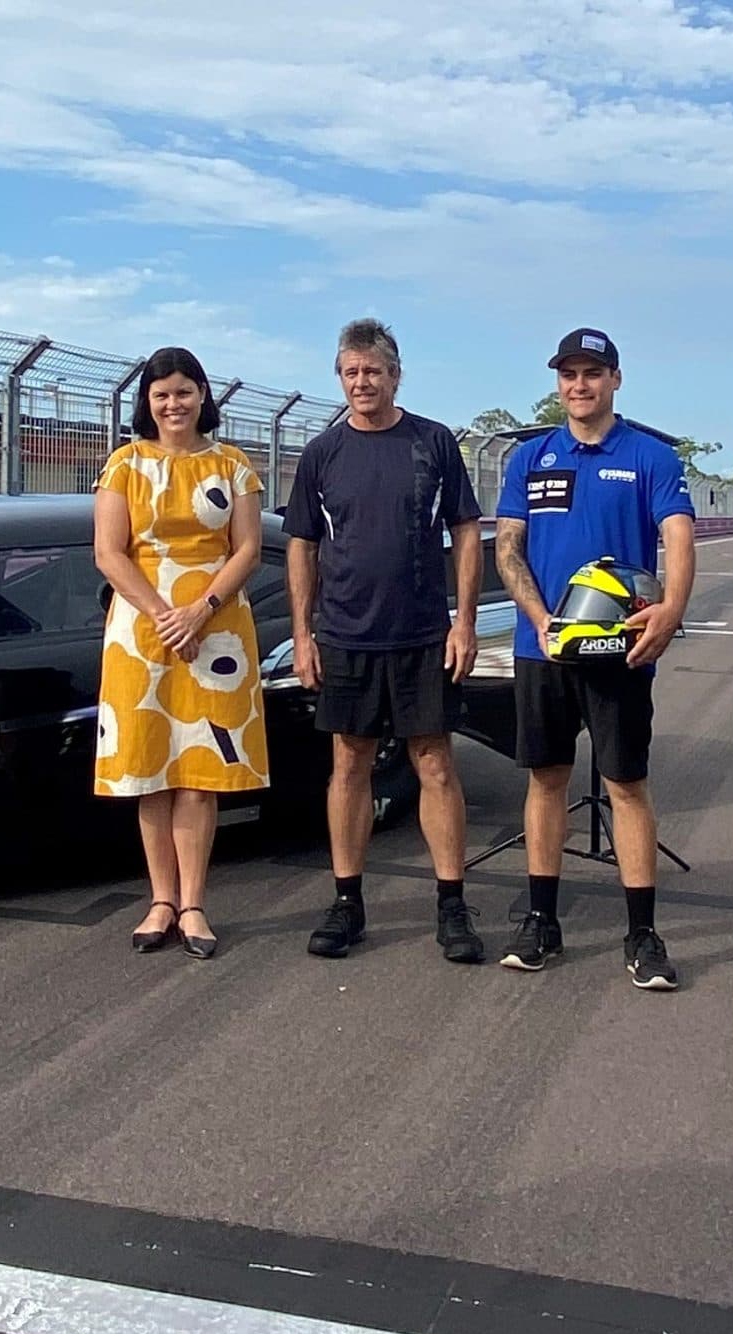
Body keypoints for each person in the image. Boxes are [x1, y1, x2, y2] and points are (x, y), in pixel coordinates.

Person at [492, 327, 695, 989]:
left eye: (592, 373)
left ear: (615, 380)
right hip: (544, 649)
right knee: (546, 779)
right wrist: (541, 619)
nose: (579, 385)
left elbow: (678, 537)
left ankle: (642, 934)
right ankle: (541, 921)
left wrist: (671, 609)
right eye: (569, 374)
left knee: (626, 785)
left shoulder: (650, 457)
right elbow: (508, 547)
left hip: (620, 650)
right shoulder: (531, 457)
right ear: (559, 383)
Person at [286, 318, 487, 963]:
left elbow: (465, 530)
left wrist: (464, 622)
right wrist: (303, 634)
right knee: (349, 766)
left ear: (395, 376)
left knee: (435, 764)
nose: (361, 382)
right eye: (350, 372)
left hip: (423, 635)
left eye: (372, 371)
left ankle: (452, 905)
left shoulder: (432, 442)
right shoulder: (322, 454)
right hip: (345, 636)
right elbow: (302, 545)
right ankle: (347, 902)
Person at [91, 346, 269, 960]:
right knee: (151, 768)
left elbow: (247, 549)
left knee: (199, 771)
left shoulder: (233, 465)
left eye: (184, 391)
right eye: (162, 393)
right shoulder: (123, 465)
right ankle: (160, 900)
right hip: (142, 634)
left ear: (202, 396)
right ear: (147, 401)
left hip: (216, 630)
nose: (174, 404)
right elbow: (109, 553)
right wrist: (163, 614)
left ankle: (193, 904)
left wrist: (200, 610)